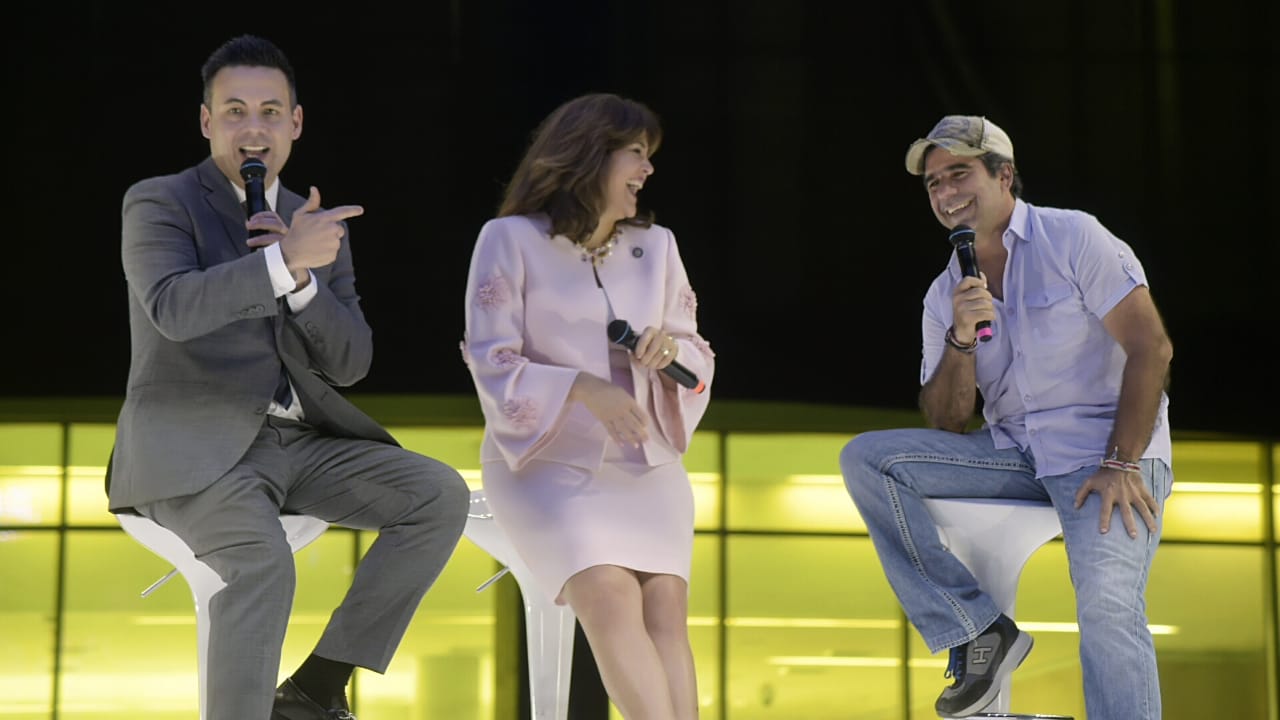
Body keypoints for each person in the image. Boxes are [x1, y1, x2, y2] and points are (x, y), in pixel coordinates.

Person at [106, 34, 468, 720]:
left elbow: (351, 362)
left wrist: (303, 281)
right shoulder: (159, 202)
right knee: (264, 561)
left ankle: (315, 689)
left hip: (298, 446)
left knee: (437, 495)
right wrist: (276, 265)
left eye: (271, 111)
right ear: (207, 121)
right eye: (235, 110)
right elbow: (172, 309)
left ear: (295, 124)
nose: (254, 127)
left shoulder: (316, 223)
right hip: (192, 446)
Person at [840, 115, 1173, 719]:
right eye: (933, 185)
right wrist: (962, 341)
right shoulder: (945, 294)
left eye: (958, 174)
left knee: (1106, 605)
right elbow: (945, 424)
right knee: (868, 458)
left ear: (1005, 175)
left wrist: (1123, 460)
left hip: (1107, 456)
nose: (945, 194)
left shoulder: (1074, 238)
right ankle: (977, 630)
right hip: (1017, 454)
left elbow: (1152, 348)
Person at [460, 92, 715, 719]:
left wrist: (667, 351)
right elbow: (490, 357)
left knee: (665, 613)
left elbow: (697, 353)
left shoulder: (657, 247)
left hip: (643, 462)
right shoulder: (508, 239)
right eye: (636, 154)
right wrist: (581, 386)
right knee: (607, 595)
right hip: (545, 462)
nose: (647, 170)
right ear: (589, 155)